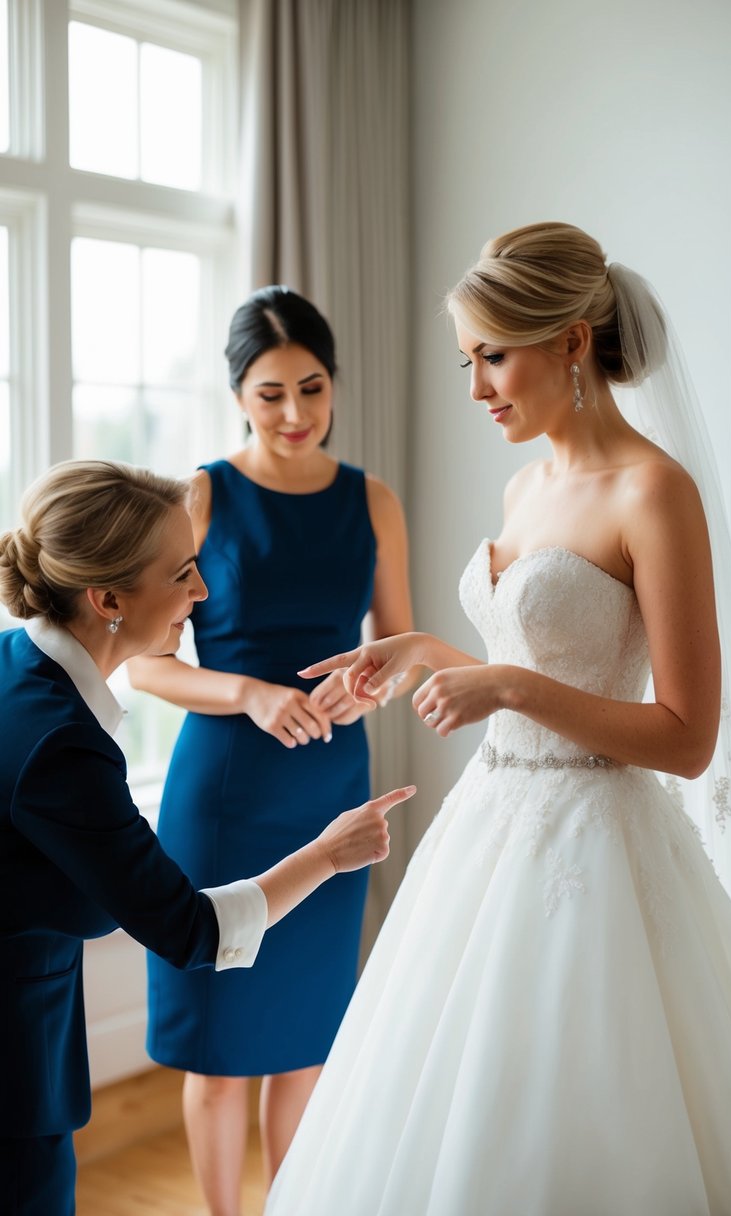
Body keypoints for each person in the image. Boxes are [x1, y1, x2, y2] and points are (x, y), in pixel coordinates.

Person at [264, 223, 731, 1215]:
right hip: (488, 828)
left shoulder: (655, 492)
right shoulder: (525, 484)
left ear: (571, 341)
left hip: (601, 845)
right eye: (466, 360)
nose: (476, 387)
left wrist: (508, 690)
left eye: (493, 355)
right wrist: (425, 655)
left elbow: (687, 736)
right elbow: (530, 657)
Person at [0, 458, 414, 1216]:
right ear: (107, 599)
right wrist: (329, 853)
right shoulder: (61, 745)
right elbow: (191, 930)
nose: (202, 592)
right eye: (184, 572)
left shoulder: (13, 665)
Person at [126, 286, 414, 1212]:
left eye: (312, 387)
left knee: (304, 1044)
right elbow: (144, 666)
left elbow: (399, 649)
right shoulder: (201, 495)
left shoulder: (373, 501)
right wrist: (247, 692)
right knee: (218, 1049)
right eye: (269, 394)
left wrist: (371, 677)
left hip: (332, 784)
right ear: (237, 395)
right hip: (224, 795)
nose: (295, 414)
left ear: (333, 384)